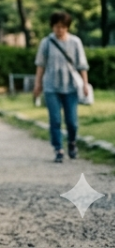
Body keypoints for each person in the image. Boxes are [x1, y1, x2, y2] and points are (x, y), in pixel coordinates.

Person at [33, 11, 91, 163]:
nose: (60, 30)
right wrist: (37, 84)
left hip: (71, 86)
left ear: (68, 27)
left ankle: (72, 142)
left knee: (72, 121)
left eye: (63, 27)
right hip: (51, 86)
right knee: (55, 119)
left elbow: (82, 65)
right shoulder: (46, 42)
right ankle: (58, 148)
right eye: (57, 26)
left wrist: (85, 84)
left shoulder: (75, 42)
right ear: (52, 26)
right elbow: (40, 65)